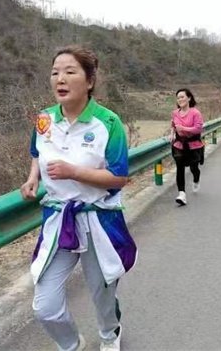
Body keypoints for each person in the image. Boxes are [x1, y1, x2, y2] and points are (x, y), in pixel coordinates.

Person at [20, 45, 137, 351]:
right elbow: (37, 153)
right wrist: (33, 178)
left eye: (70, 72)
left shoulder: (108, 123)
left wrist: (74, 172)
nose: (60, 79)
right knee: (45, 305)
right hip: (59, 220)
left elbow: (119, 178)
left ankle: (110, 335)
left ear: (89, 81)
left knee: (102, 292)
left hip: (99, 218)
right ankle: (71, 344)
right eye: (55, 72)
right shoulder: (44, 120)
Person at [169, 88, 205, 206]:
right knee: (180, 168)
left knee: (194, 168)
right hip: (179, 145)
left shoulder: (195, 113)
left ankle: (196, 180)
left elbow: (198, 129)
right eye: (178, 98)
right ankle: (182, 194)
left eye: (182, 97)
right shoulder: (175, 113)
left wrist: (184, 128)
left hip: (193, 146)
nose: (180, 99)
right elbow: (173, 124)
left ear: (189, 98)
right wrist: (172, 134)